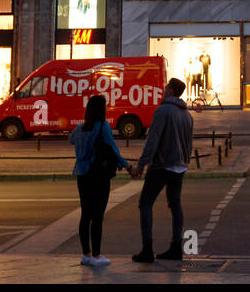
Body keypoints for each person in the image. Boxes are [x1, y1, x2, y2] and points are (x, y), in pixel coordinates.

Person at [129, 78, 194, 263]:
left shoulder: (163, 110)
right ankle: (176, 248)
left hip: (162, 164)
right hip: (179, 166)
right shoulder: (187, 115)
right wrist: (185, 161)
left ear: (171, 91)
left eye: (166, 88)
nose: (163, 90)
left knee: (146, 203)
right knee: (175, 205)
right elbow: (189, 143)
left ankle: (147, 249)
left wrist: (142, 164)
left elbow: (153, 140)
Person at [68, 93, 127, 266]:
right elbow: (113, 150)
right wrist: (127, 166)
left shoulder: (79, 129)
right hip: (99, 176)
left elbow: (71, 140)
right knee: (98, 216)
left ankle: (85, 254)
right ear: (102, 109)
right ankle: (97, 255)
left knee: (85, 214)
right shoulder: (103, 127)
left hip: (82, 175)